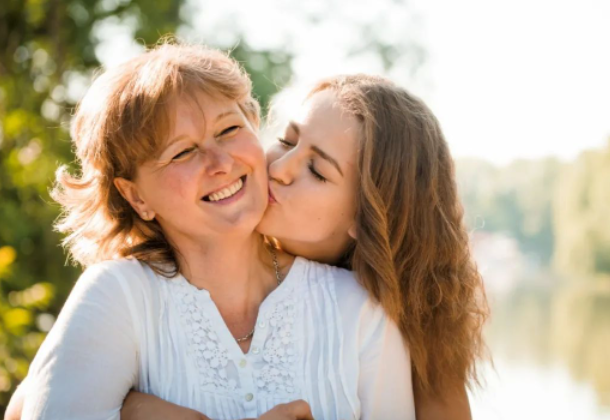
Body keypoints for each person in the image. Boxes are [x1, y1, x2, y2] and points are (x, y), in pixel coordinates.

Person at [8, 42, 415, 420]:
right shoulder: (118, 296)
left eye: (228, 130)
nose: (219, 161)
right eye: (182, 152)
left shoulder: (358, 308)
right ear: (137, 198)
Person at [116, 74, 489, 420]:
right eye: (287, 141)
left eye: (317, 171)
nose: (280, 168)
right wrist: (129, 406)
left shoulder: (403, 336)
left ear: (367, 217)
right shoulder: (163, 271)